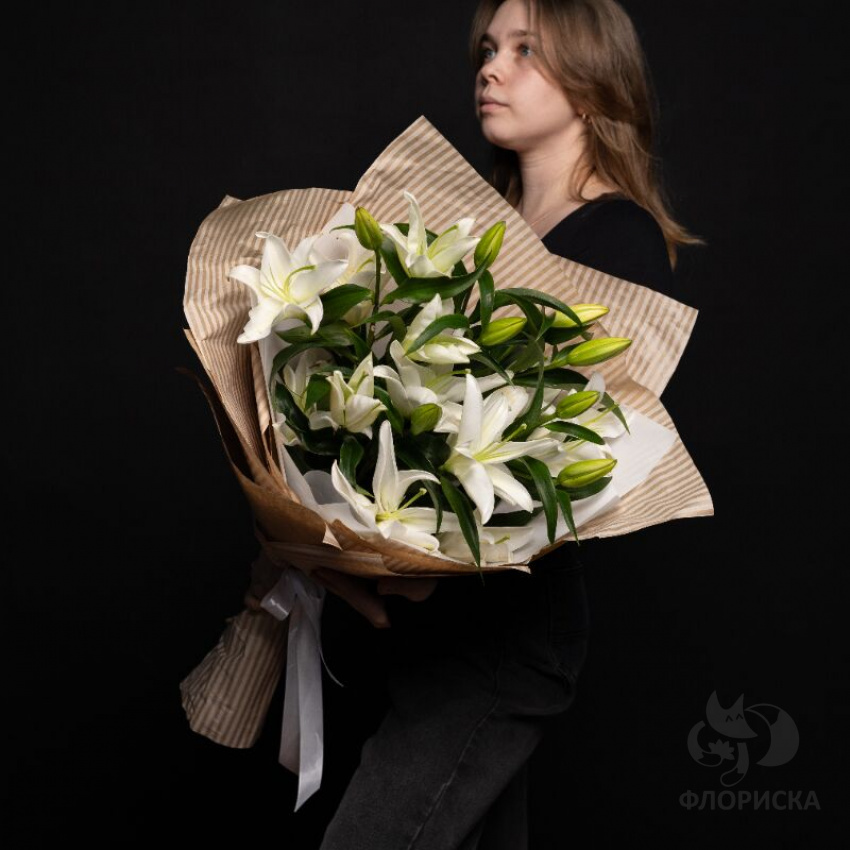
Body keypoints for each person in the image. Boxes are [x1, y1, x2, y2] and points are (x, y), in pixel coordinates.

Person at [309, 1, 705, 847]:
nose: (491, 68)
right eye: (489, 49)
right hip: (428, 632)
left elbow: (576, 451)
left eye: (527, 50)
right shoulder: (470, 232)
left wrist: (434, 562)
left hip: (501, 638)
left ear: (593, 80)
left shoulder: (618, 238)